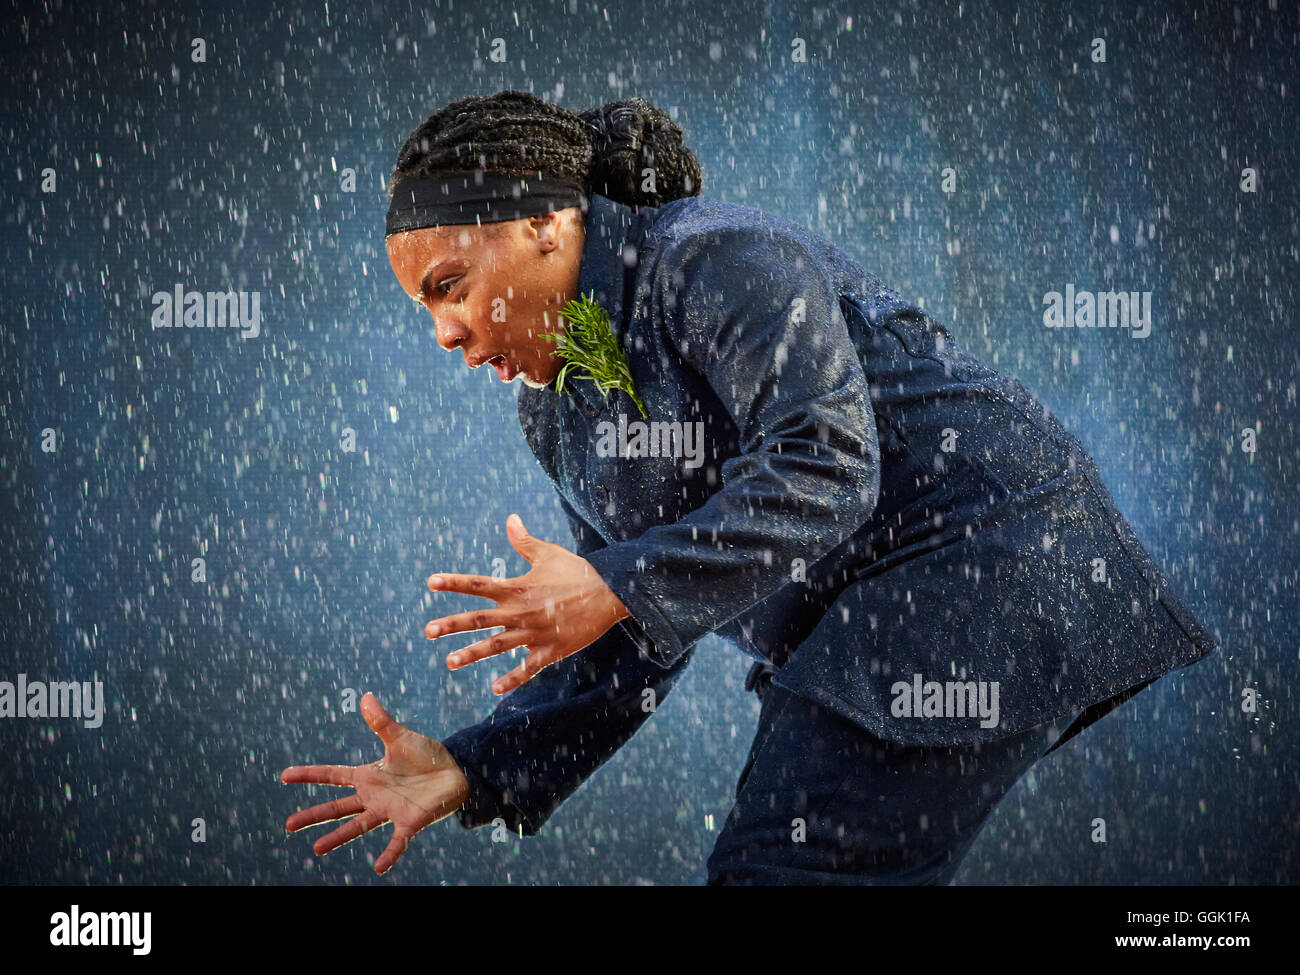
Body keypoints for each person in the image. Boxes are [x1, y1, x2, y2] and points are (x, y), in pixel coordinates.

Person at [281, 90, 1218, 884]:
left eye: (450, 285)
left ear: (543, 221)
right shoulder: (555, 410)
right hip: (869, 627)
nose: (444, 332)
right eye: (426, 309)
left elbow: (826, 463)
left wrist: (614, 583)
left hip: (992, 564)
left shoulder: (711, 254)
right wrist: (473, 764)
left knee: (777, 865)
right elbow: (634, 630)